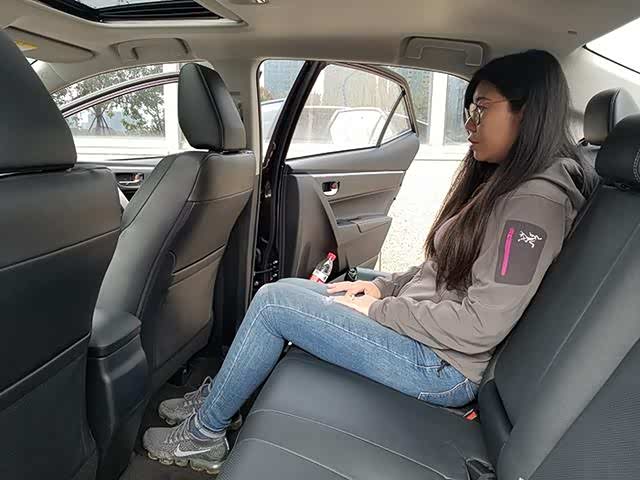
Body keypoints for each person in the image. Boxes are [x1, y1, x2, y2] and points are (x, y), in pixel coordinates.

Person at [142, 49, 598, 473]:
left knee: (274, 304)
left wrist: (380, 310)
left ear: (527, 112)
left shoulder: (534, 204)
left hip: (443, 366)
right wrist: (382, 286)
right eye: (468, 110)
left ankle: (204, 435)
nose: (469, 123)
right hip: (429, 340)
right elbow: (443, 268)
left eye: (481, 109)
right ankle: (221, 398)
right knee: (289, 291)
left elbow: (481, 324)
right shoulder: (507, 183)